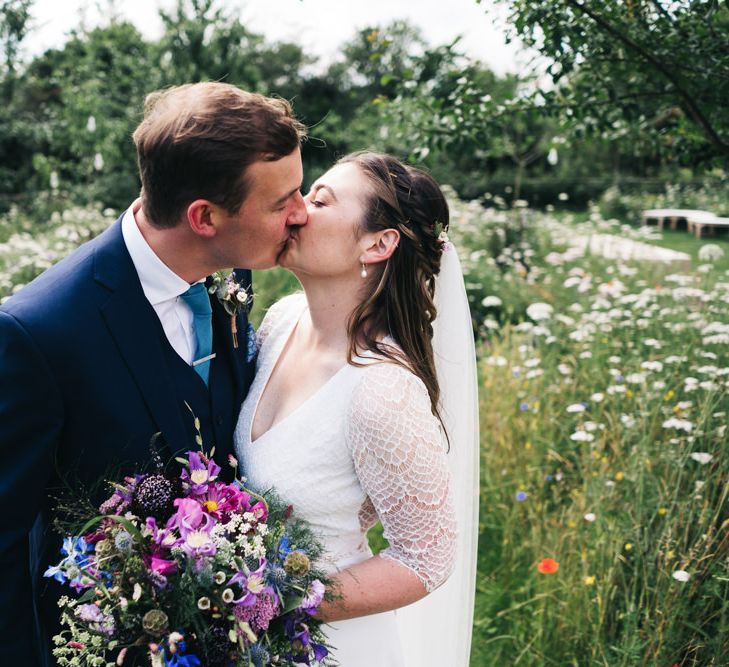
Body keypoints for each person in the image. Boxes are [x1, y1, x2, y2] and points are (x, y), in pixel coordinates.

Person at [0, 82, 307, 666]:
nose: (301, 213)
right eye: (281, 201)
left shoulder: (232, 275)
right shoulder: (37, 331)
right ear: (204, 217)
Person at [234, 151, 480, 665]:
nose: (297, 208)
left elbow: (424, 559)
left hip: (327, 648)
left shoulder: (380, 391)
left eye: (320, 200)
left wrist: (279, 603)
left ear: (378, 243)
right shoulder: (282, 321)